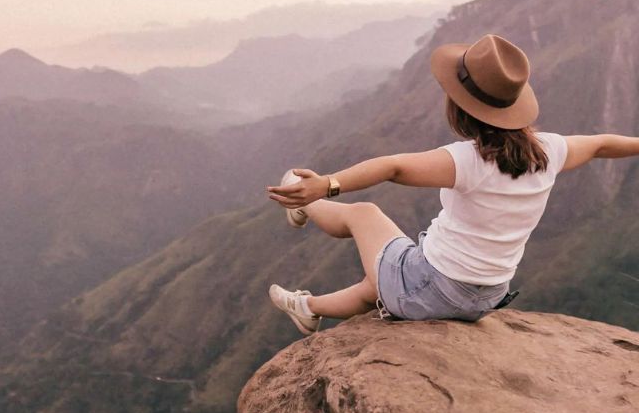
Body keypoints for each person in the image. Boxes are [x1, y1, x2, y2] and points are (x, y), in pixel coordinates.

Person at [265, 33, 639, 335]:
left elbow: (393, 167)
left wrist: (327, 184)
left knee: (364, 213)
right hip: (487, 297)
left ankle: (304, 202)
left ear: (459, 108)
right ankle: (308, 307)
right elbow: (602, 143)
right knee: (379, 279)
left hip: (434, 289)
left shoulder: (466, 161)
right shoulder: (549, 151)